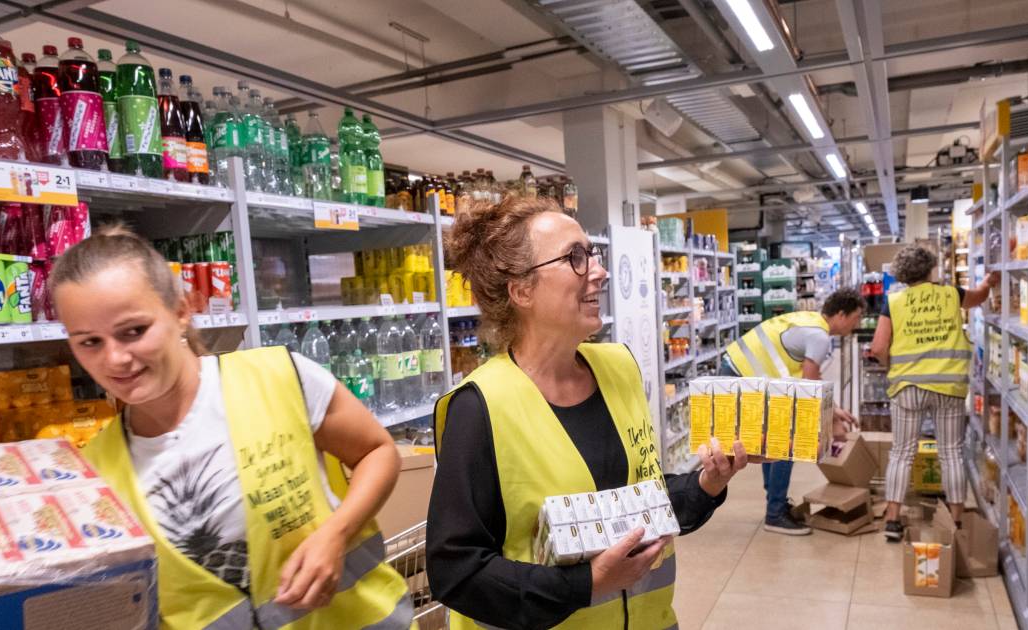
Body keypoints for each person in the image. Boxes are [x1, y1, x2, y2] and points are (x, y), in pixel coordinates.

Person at [50, 225, 414, 629]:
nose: (115, 359)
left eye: (134, 331)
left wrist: (336, 534)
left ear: (181, 311)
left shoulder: (275, 377)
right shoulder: (93, 473)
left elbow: (377, 452)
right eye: (90, 342)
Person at [426, 196, 748, 630]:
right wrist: (585, 584)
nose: (599, 271)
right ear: (521, 291)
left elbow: (639, 503)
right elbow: (455, 571)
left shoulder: (618, 368)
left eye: (592, 254)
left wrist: (707, 484)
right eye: (574, 258)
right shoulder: (480, 406)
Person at [869, 244, 998, 542]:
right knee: (951, 453)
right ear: (931, 269)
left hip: (907, 387)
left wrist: (891, 366)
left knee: (902, 453)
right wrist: (988, 283)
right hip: (948, 385)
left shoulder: (894, 302)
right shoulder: (952, 294)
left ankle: (892, 520)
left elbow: (877, 347)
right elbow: (979, 297)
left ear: (902, 274)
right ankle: (955, 520)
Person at [721, 288, 866, 535]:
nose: (857, 324)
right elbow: (809, 386)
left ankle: (775, 503)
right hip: (743, 375)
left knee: (773, 438)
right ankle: (775, 513)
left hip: (738, 370)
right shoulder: (820, 336)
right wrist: (832, 421)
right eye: (856, 317)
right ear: (841, 314)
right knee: (788, 439)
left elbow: (811, 379)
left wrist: (835, 410)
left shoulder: (811, 321)